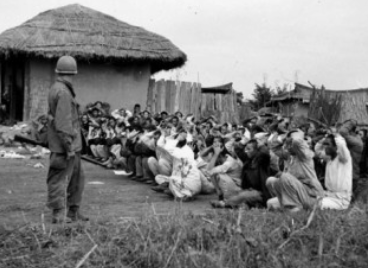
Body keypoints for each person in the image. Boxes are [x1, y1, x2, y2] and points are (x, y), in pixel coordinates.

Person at [47, 55, 88, 223]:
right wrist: (69, 147)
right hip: (65, 147)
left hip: (72, 145)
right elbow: (63, 124)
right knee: (59, 179)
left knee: (77, 178)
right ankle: (58, 214)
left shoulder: (56, 88)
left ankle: (73, 211)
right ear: (73, 73)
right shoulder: (63, 92)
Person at [315, 134, 352, 210]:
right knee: (309, 197)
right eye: (324, 144)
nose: (324, 147)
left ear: (335, 147)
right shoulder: (329, 157)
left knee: (316, 204)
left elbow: (341, 144)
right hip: (328, 194)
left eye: (327, 144)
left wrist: (336, 135)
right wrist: (324, 139)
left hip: (340, 200)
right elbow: (317, 150)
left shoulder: (344, 158)